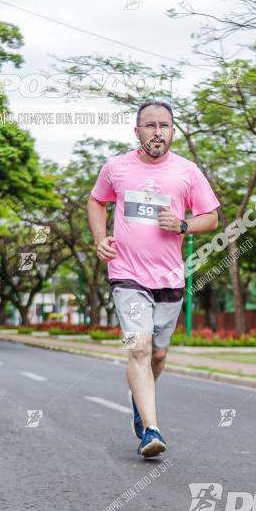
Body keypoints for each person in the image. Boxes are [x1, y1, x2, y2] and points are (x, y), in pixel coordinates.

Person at [88, 100, 219, 457]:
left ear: (173, 132)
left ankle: (138, 397)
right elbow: (96, 201)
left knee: (158, 354)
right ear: (137, 132)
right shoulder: (116, 167)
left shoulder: (187, 171)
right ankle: (151, 429)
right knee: (139, 348)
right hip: (127, 275)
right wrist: (101, 240)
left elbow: (211, 218)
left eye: (164, 125)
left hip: (170, 277)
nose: (157, 131)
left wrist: (182, 225)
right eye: (149, 125)